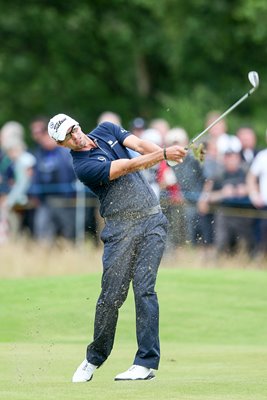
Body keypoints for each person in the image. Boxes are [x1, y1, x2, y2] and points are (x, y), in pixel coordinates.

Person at [48, 113, 187, 382]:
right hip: (120, 229)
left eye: (74, 129)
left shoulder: (106, 129)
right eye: (68, 137)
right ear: (62, 144)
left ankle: (145, 363)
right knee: (111, 296)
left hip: (152, 220)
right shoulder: (83, 166)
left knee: (145, 288)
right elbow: (126, 166)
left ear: (78, 123)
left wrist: (165, 155)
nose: (75, 136)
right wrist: (164, 155)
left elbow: (140, 145)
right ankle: (94, 357)